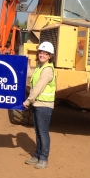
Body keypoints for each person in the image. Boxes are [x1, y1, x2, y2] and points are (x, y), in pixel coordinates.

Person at [23, 41, 56, 169]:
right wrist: (25, 62)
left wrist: (28, 101)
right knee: (38, 132)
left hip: (44, 106)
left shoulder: (47, 70)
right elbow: (30, 75)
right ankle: (37, 156)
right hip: (37, 104)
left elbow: (38, 88)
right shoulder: (39, 67)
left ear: (50, 56)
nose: (42, 55)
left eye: (45, 53)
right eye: (41, 52)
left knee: (43, 133)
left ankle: (44, 158)